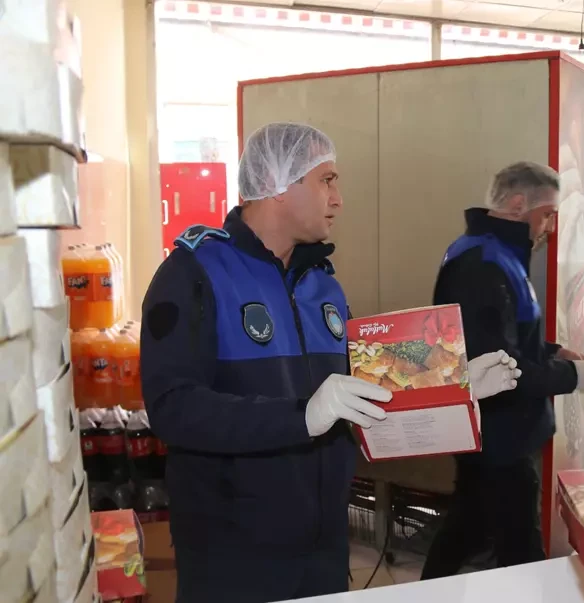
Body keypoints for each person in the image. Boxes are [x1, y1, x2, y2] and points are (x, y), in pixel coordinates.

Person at [140, 122, 522, 603]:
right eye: (327, 180)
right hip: (232, 552)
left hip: (323, 545)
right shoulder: (194, 274)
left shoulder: (322, 284)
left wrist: (453, 382)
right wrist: (301, 416)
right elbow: (173, 408)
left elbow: (371, 384)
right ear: (278, 183)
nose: (338, 199)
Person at [421, 161, 584, 580]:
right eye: (547, 215)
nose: (549, 227)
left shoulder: (498, 255)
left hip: (500, 432)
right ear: (519, 204)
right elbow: (500, 368)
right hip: (500, 437)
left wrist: (556, 351)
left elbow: (507, 338)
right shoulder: (482, 264)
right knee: (520, 550)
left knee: (468, 528)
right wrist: (571, 376)